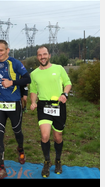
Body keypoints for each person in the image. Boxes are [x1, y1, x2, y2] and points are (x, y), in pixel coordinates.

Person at [0, 39, 31, 179]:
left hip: (14, 104)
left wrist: (12, 82)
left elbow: (27, 78)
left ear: (7, 50)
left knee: (17, 131)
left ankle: (20, 148)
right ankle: (1, 168)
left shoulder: (15, 63)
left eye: (1, 50)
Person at [30, 46, 72, 178]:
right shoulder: (34, 73)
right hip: (43, 107)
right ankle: (47, 161)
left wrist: (65, 94)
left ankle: (58, 160)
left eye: (44, 54)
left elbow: (68, 83)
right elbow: (33, 90)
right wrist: (33, 102)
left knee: (57, 137)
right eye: (39, 55)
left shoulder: (59, 68)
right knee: (44, 136)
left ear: (49, 55)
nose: (42, 57)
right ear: (37, 57)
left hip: (58, 106)